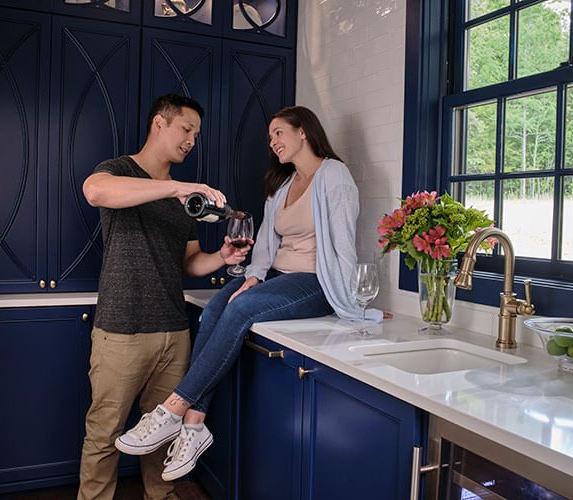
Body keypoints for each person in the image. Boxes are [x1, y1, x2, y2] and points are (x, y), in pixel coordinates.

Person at [114, 105, 383, 481]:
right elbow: (266, 246)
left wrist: (353, 301)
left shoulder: (334, 175)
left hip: (315, 282)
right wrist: (254, 276)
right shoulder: (284, 185)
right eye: (270, 136)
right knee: (216, 309)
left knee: (241, 310)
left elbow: (343, 244)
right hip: (278, 277)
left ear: (303, 131)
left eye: (278, 133)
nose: (272, 142)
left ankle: (173, 408)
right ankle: (194, 427)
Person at [78, 93, 250, 500]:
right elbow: (95, 192)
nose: (192, 140)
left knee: (162, 437)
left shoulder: (183, 202)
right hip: (121, 330)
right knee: (104, 434)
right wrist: (173, 187)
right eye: (186, 129)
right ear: (160, 123)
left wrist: (221, 258)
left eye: (196, 134)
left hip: (174, 332)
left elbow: (189, 264)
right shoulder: (119, 170)